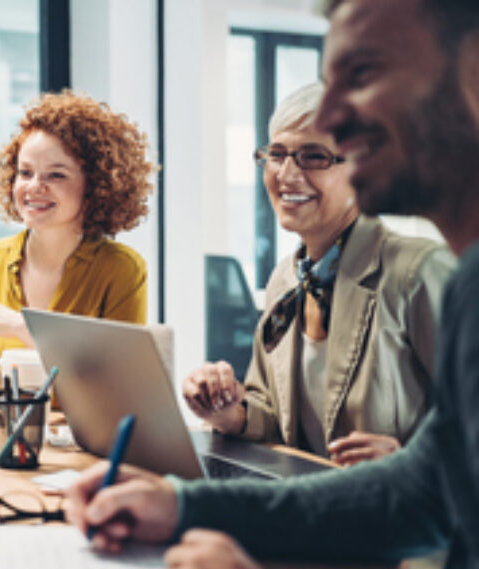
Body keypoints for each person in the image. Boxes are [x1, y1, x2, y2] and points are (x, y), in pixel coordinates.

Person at [64, 0, 479, 569]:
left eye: (362, 74)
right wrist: (181, 506)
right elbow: (417, 493)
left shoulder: (432, 274)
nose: (333, 115)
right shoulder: (469, 287)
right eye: (278, 151)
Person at [182, 81, 454, 464]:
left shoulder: (419, 273)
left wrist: (410, 462)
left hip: (403, 514)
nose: (286, 175)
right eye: (277, 154)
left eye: (314, 157)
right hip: (315, 510)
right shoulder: (286, 279)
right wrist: (228, 412)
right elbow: (277, 416)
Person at [0, 91, 156, 415]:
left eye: (56, 175)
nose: (34, 186)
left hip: (81, 451)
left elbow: (119, 386)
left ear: (96, 185)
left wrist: (21, 327)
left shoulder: (121, 270)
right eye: (25, 172)